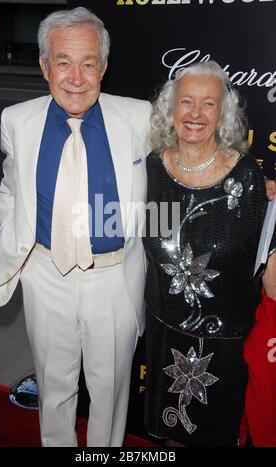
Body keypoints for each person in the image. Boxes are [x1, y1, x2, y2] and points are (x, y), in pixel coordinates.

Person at [0, 7, 151, 447]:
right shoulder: (17, 120)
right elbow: (10, 187)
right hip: (45, 274)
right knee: (53, 388)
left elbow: (192, 152)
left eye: (88, 63)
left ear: (104, 67)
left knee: (111, 392)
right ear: (43, 64)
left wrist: (251, 179)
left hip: (113, 277)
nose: (76, 77)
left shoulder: (141, 118)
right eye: (63, 61)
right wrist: (18, 241)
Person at [143, 60, 276, 447]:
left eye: (208, 104)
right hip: (164, 335)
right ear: (171, 110)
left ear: (223, 115)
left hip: (225, 348)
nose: (196, 114)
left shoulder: (249, 180)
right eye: (186, 102)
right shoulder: (151, 170)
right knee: (167, 438)